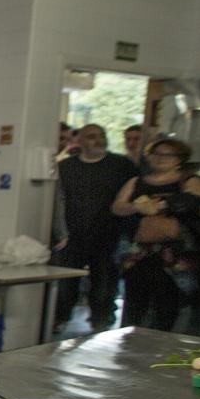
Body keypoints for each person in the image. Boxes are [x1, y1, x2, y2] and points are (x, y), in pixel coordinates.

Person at [50, 123, 138, 332]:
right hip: (72, 235)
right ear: (79, 141)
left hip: (109, 234)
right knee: (65, 281)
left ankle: (100, 320)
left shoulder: (121, 165)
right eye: (91, 136)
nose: (98, 140)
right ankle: (59, 317)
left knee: (105, 282)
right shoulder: (66, 167)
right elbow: (57, 200)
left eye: (101, 135)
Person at [111, 137, 200, 331]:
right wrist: (137, 207)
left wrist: (160, 205)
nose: (160, 158)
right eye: (156, 154)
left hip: (174, 254)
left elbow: (193, 201)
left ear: (179, 159)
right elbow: (118, 207)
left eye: (168, 155)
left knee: (168, 304)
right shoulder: (137, 181)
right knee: (135, 303)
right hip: (139, 253)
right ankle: (128, 347)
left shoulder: (190, 180)